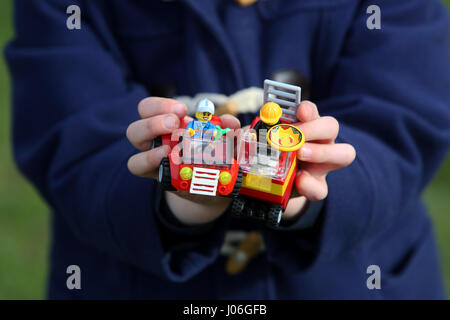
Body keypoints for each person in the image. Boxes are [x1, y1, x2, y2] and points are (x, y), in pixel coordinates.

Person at [5, 0, 450, 299]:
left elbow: (401, 118)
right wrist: (176, 199)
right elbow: (68, 127)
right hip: (132, 276)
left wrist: (311, 185)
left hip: (351, 278)